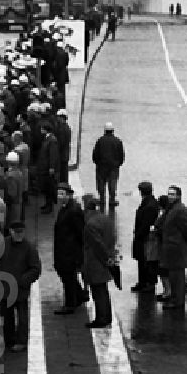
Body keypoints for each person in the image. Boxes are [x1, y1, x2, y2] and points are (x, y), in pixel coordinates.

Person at [0, 221, 41, 352]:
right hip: (5, 288)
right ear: (11, 231)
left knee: (22, 317)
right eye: (17, 232)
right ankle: (9, 340)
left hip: (20, 289)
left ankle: (21, 341)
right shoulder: (3, 244)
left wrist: (23, 281)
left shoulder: (29, 248)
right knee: (7, 316)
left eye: (21, 232)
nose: (19, 235)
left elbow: (36, 269)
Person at [82, 194, 115, 328]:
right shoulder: (105, 219)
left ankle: (101, 318)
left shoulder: (90, 224)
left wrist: (105, 259)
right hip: (104, 258)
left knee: (97, 291)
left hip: (95, 261)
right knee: (103, 290)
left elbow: (97, 244)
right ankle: (107, 316)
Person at [53, 183, 86, 315]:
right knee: (66, 275)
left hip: (69, 251)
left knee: (68, 276)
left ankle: (70, 304)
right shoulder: (66, 208)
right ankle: (79, 295)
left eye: (62, 194)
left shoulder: (73, 211)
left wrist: (77, 252)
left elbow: (80, 232)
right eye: (58, 193)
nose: (59, 196)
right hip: (64, 249)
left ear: (68, 195)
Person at [158, 185, 187, 309]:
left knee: (177, 276)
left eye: (173, 194)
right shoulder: (172, 208)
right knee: (173, 275)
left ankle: (178, 301)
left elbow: (186, 229)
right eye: (169, 194)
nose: (170, 196)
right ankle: (175, 298)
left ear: (178, 196)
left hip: (177, 248)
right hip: (170, 247)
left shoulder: (180, 210)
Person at [130, 181, 161, 293]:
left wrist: (138, 235)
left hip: (145, 238)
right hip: (143, 236)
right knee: (142, 260)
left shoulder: (150, 205)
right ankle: (143, 281)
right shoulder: (149, 203)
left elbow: (146, 224)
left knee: (147, 261)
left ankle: (149, 282)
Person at [91, 122, 125, 213]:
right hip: (113, 167)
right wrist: (118, 163)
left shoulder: (100, 141)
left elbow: (95, 154)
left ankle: (102, 199)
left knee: (101, 183)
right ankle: (112, 200)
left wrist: (97, 163)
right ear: (113, 130)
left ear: (105, 130)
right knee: (112, 183)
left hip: (101, 166)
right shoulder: (118, 141)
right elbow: (121, 155)